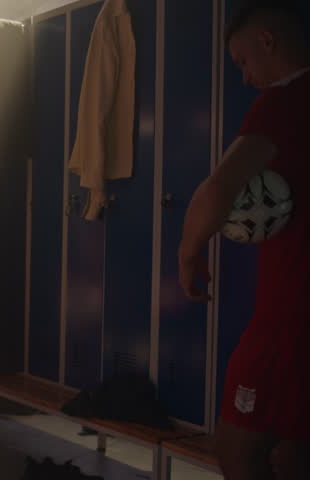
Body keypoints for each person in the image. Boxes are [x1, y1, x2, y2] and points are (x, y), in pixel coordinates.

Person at [178, 1, 310, 479]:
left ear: (268, 41)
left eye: (243, 62)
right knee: (293, 450)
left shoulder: (282, 103)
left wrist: (188, 254)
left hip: (289, 315)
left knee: (237, 445)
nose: (246, 77)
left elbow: (217, 187)